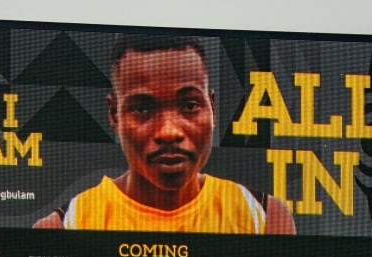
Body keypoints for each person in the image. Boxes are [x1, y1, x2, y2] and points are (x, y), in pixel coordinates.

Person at [33, 34, 295, 234]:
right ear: (114, 114)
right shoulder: (65, 226)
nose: (169, 131)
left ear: (212, 108)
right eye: (142, 108)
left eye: (190, 106)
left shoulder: (265, 216)